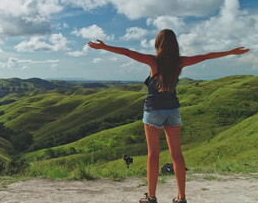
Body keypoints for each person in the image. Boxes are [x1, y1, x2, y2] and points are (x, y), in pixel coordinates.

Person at [87, 29, 249, 203]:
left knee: (153, 154)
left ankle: (151, 197)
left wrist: (104, 47)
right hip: (172, 111)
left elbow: (128, 52)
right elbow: (206, 56)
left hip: (153, 111)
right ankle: (181, 197)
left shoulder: (153, 61)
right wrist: (231, 52)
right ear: (175, 45)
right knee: (177, 155)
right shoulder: (180, 62)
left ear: (159, 44)